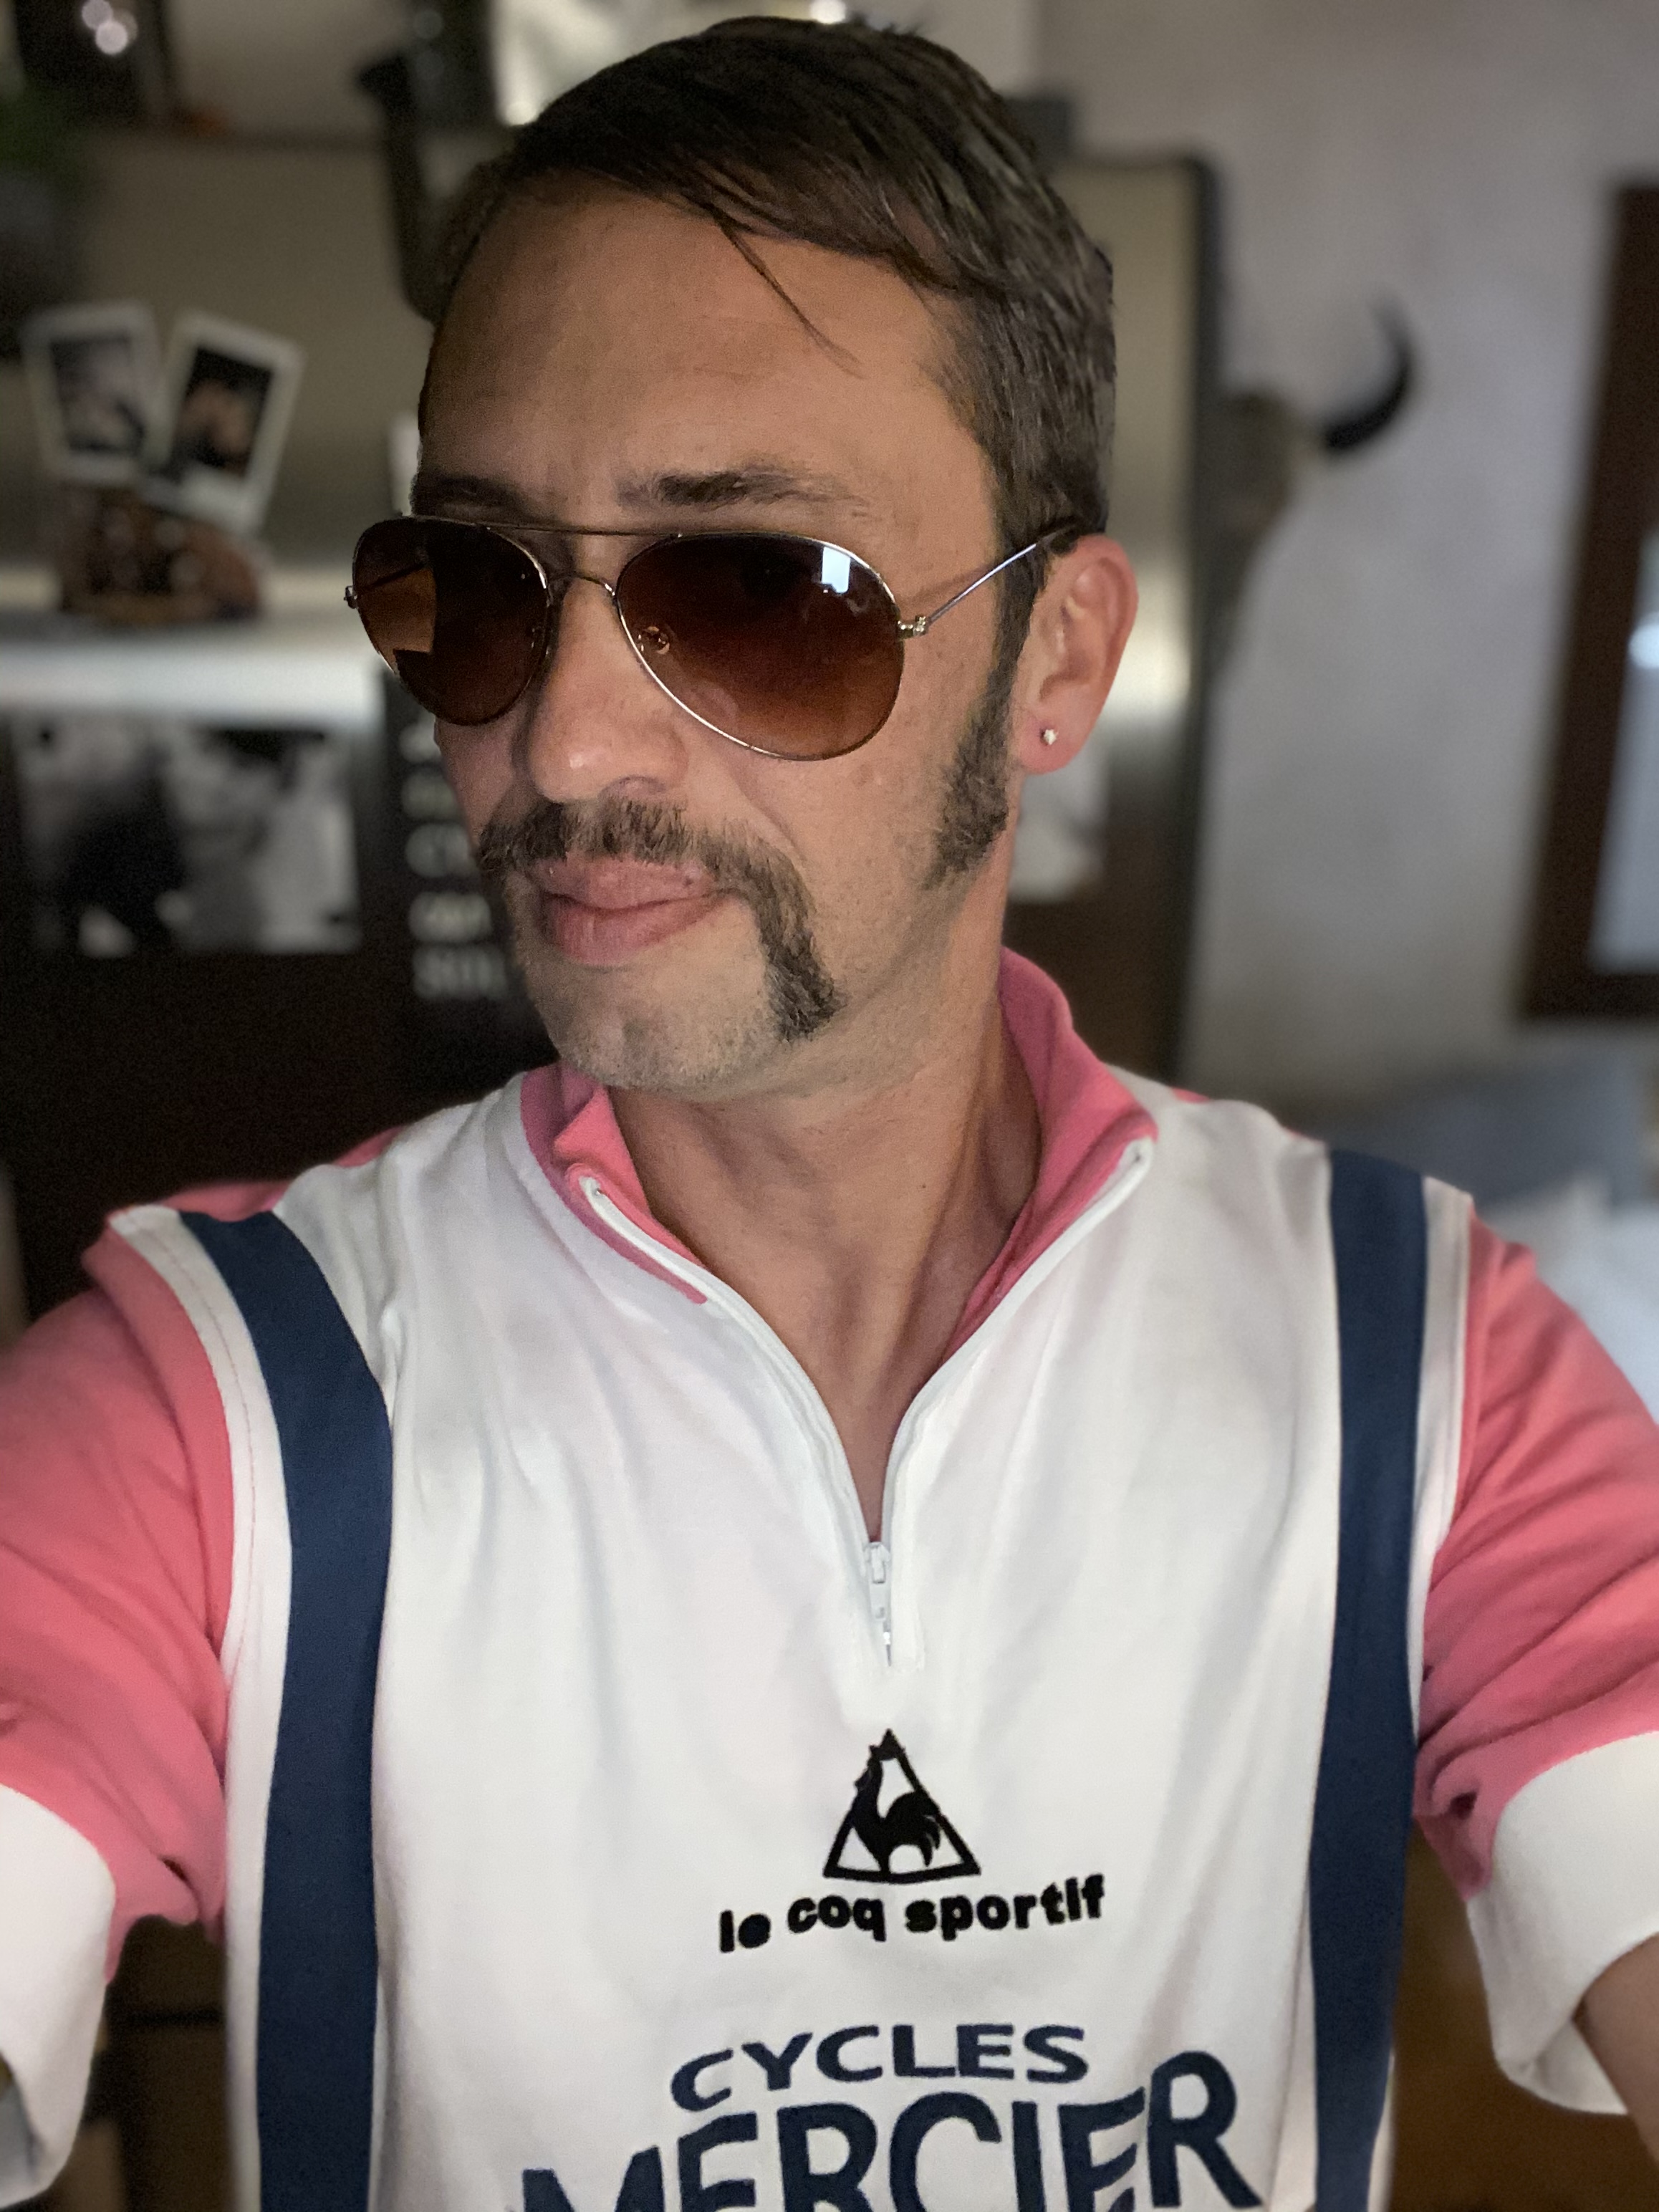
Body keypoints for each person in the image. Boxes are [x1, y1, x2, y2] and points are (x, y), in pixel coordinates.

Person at [2, 20, 1658, 2211]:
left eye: (756, 595)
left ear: (1054, 661)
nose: (561, 741)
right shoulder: (224, 1400)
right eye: (479, 591)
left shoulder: (1415, 1362)